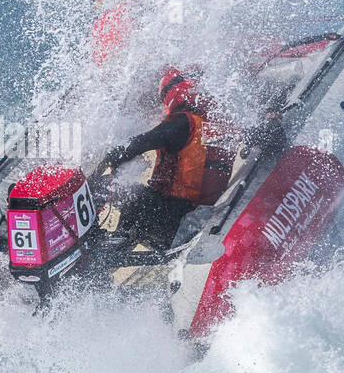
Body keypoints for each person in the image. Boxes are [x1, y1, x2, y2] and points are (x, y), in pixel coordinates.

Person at [90, 66, 238, 250]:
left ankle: (105, 240)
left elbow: (140, 144)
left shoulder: (182, 123)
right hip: (194, 220)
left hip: (172, 224)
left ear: (172, 93)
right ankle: (123, 236)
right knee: (145, 194)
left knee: (109, 184)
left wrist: (113, 156)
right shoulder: (219, 124)